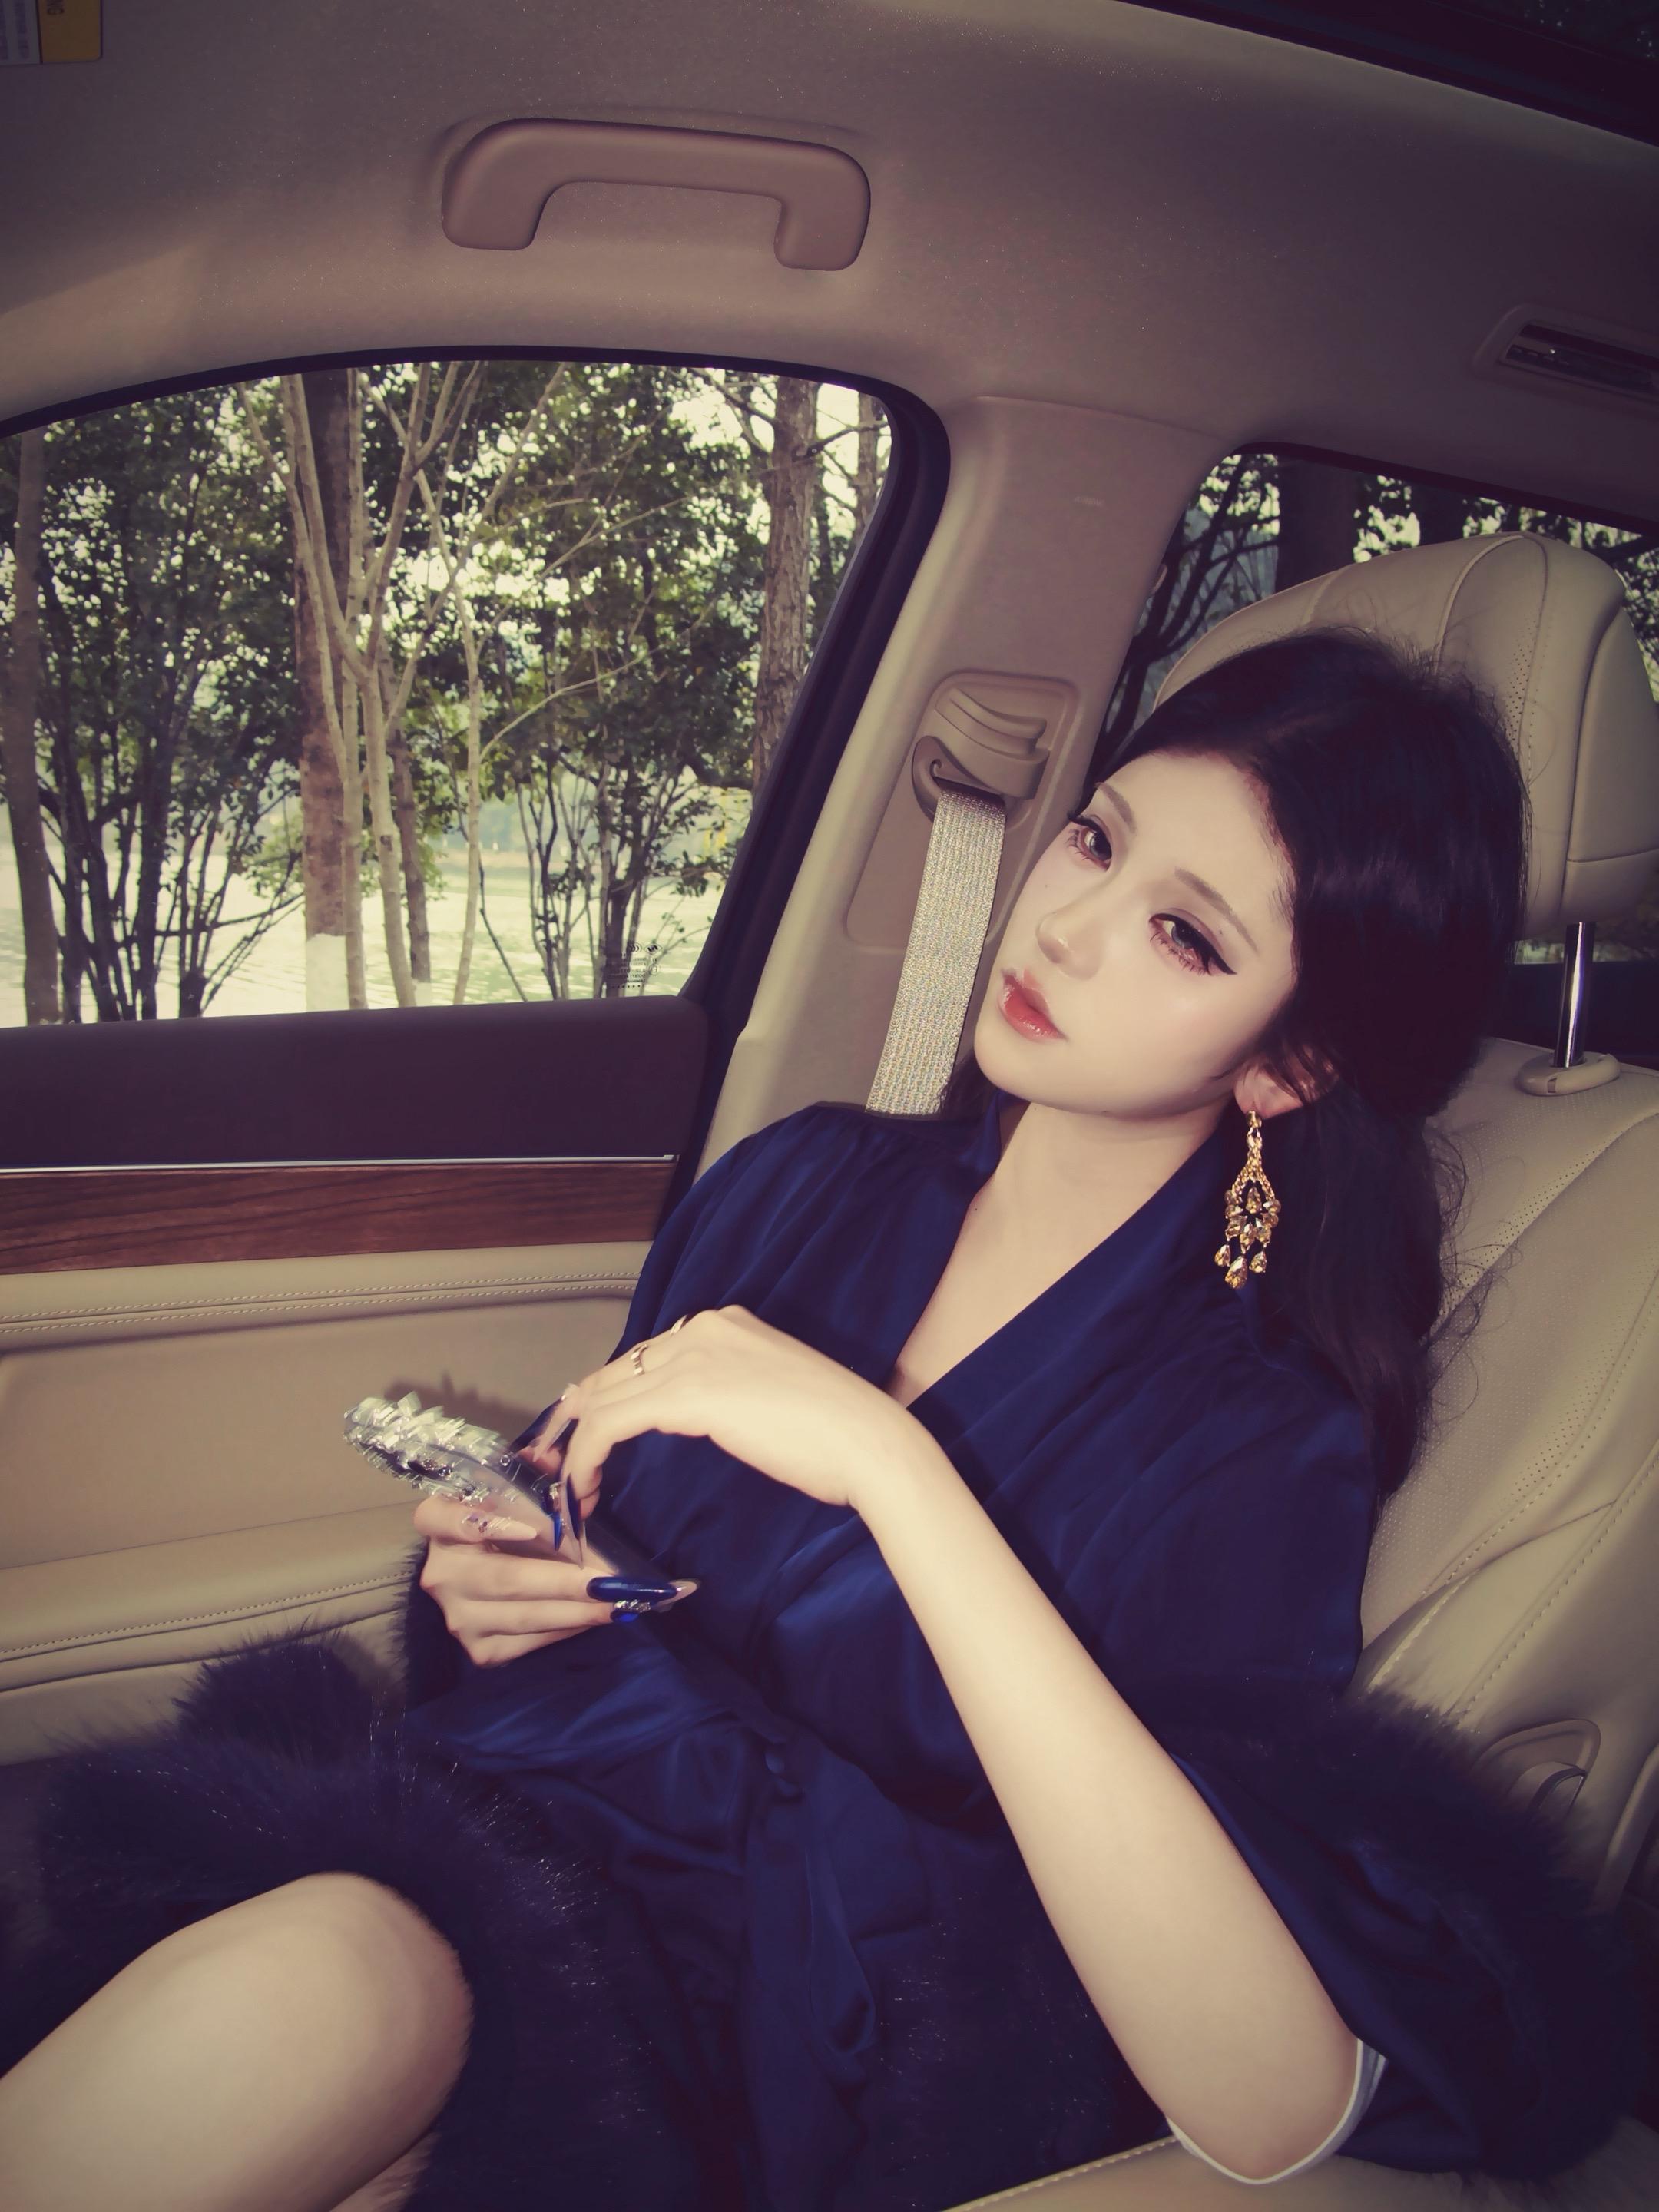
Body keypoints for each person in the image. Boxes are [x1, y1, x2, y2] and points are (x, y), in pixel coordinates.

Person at [0, 625, 1644, 2212]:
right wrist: (503, 1584)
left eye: (1185, 936)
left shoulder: (1251, 1443)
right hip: (473, 1820)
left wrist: (889, 1465)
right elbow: (578, 1560)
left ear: (1289, 1065)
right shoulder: (798, 1182)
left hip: (767, 2037)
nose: (1069, 926)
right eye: (1094, 840)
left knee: (328, 1975)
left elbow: (1266, 2098)